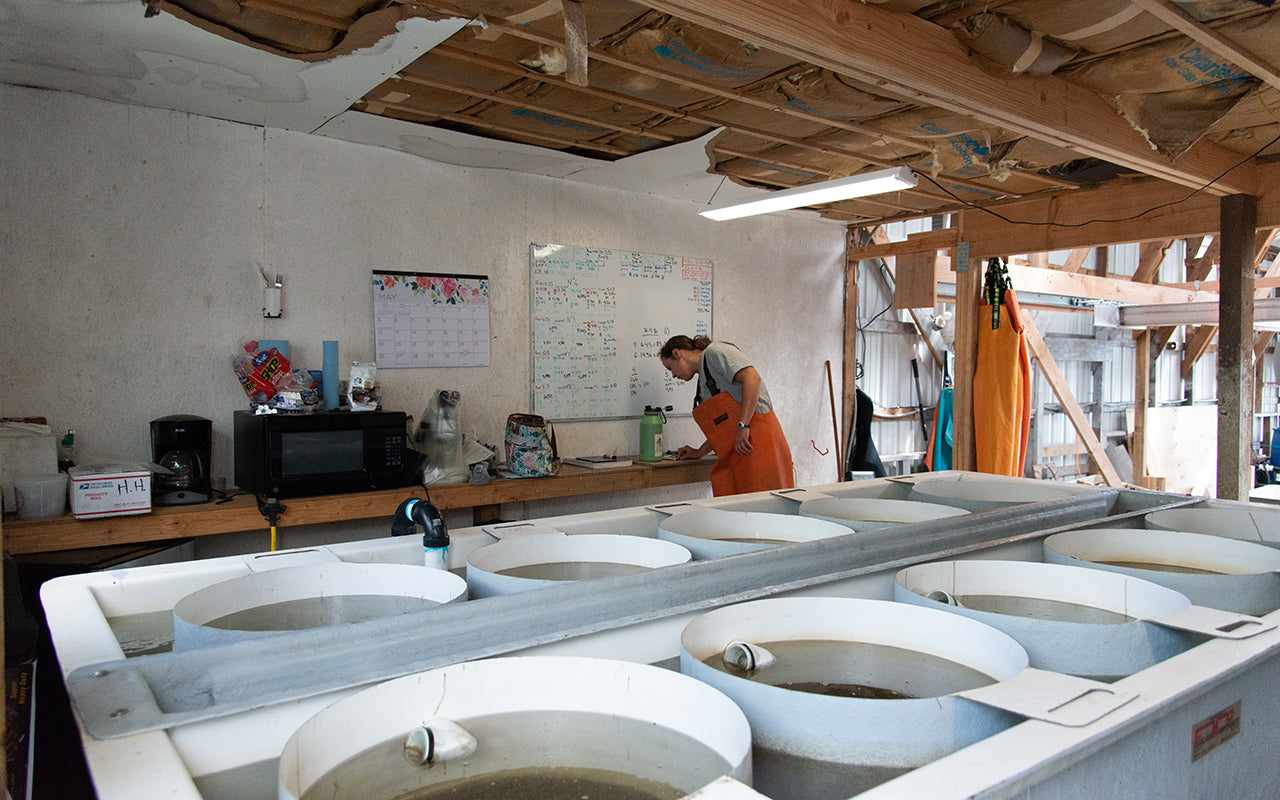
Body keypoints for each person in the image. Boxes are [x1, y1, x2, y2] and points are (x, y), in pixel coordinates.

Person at [659, 335, 794, 496]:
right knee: (730, 508)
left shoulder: (715, 352)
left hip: (757, 444)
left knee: (763, 510)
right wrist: (699, 452)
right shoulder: (704, 381)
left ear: (677, 353)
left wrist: (743, 425)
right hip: (737, 451)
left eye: (670, 368)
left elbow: (752, 378)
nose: (673, 375)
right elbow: (724, 426)